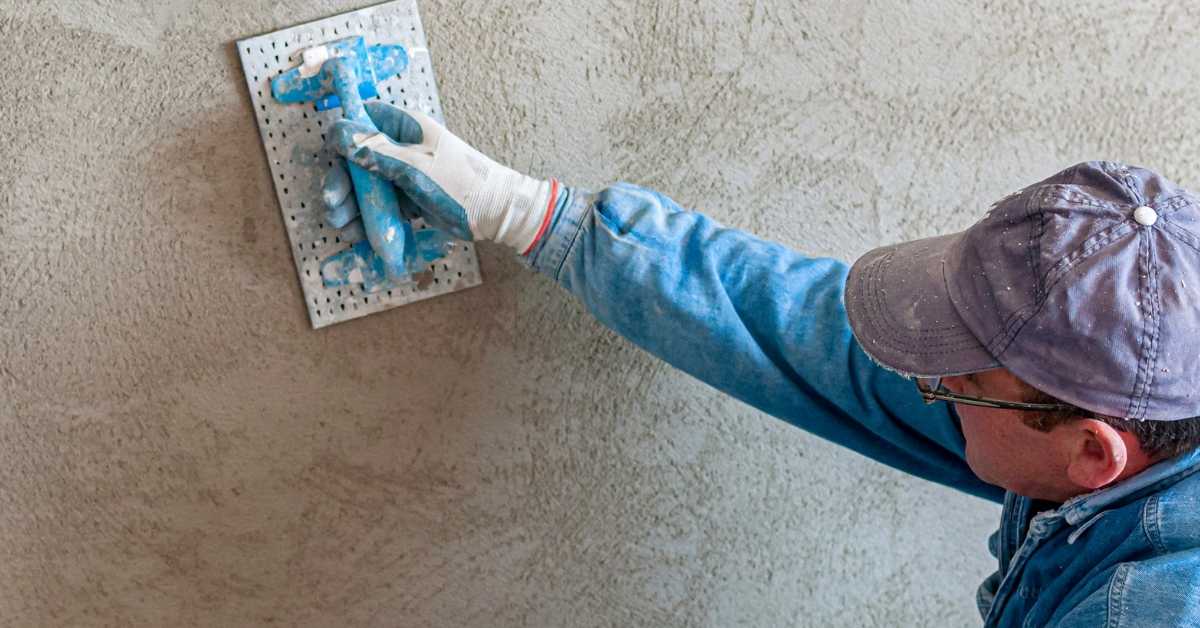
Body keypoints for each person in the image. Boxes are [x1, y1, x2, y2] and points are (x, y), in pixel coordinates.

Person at [321, 102, 1200, 626]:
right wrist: (531, 215)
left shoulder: (1144, 608)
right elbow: (812, 337)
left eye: (953, 384)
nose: (927, 390)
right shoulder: (1120, 406)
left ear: (1093, 453)